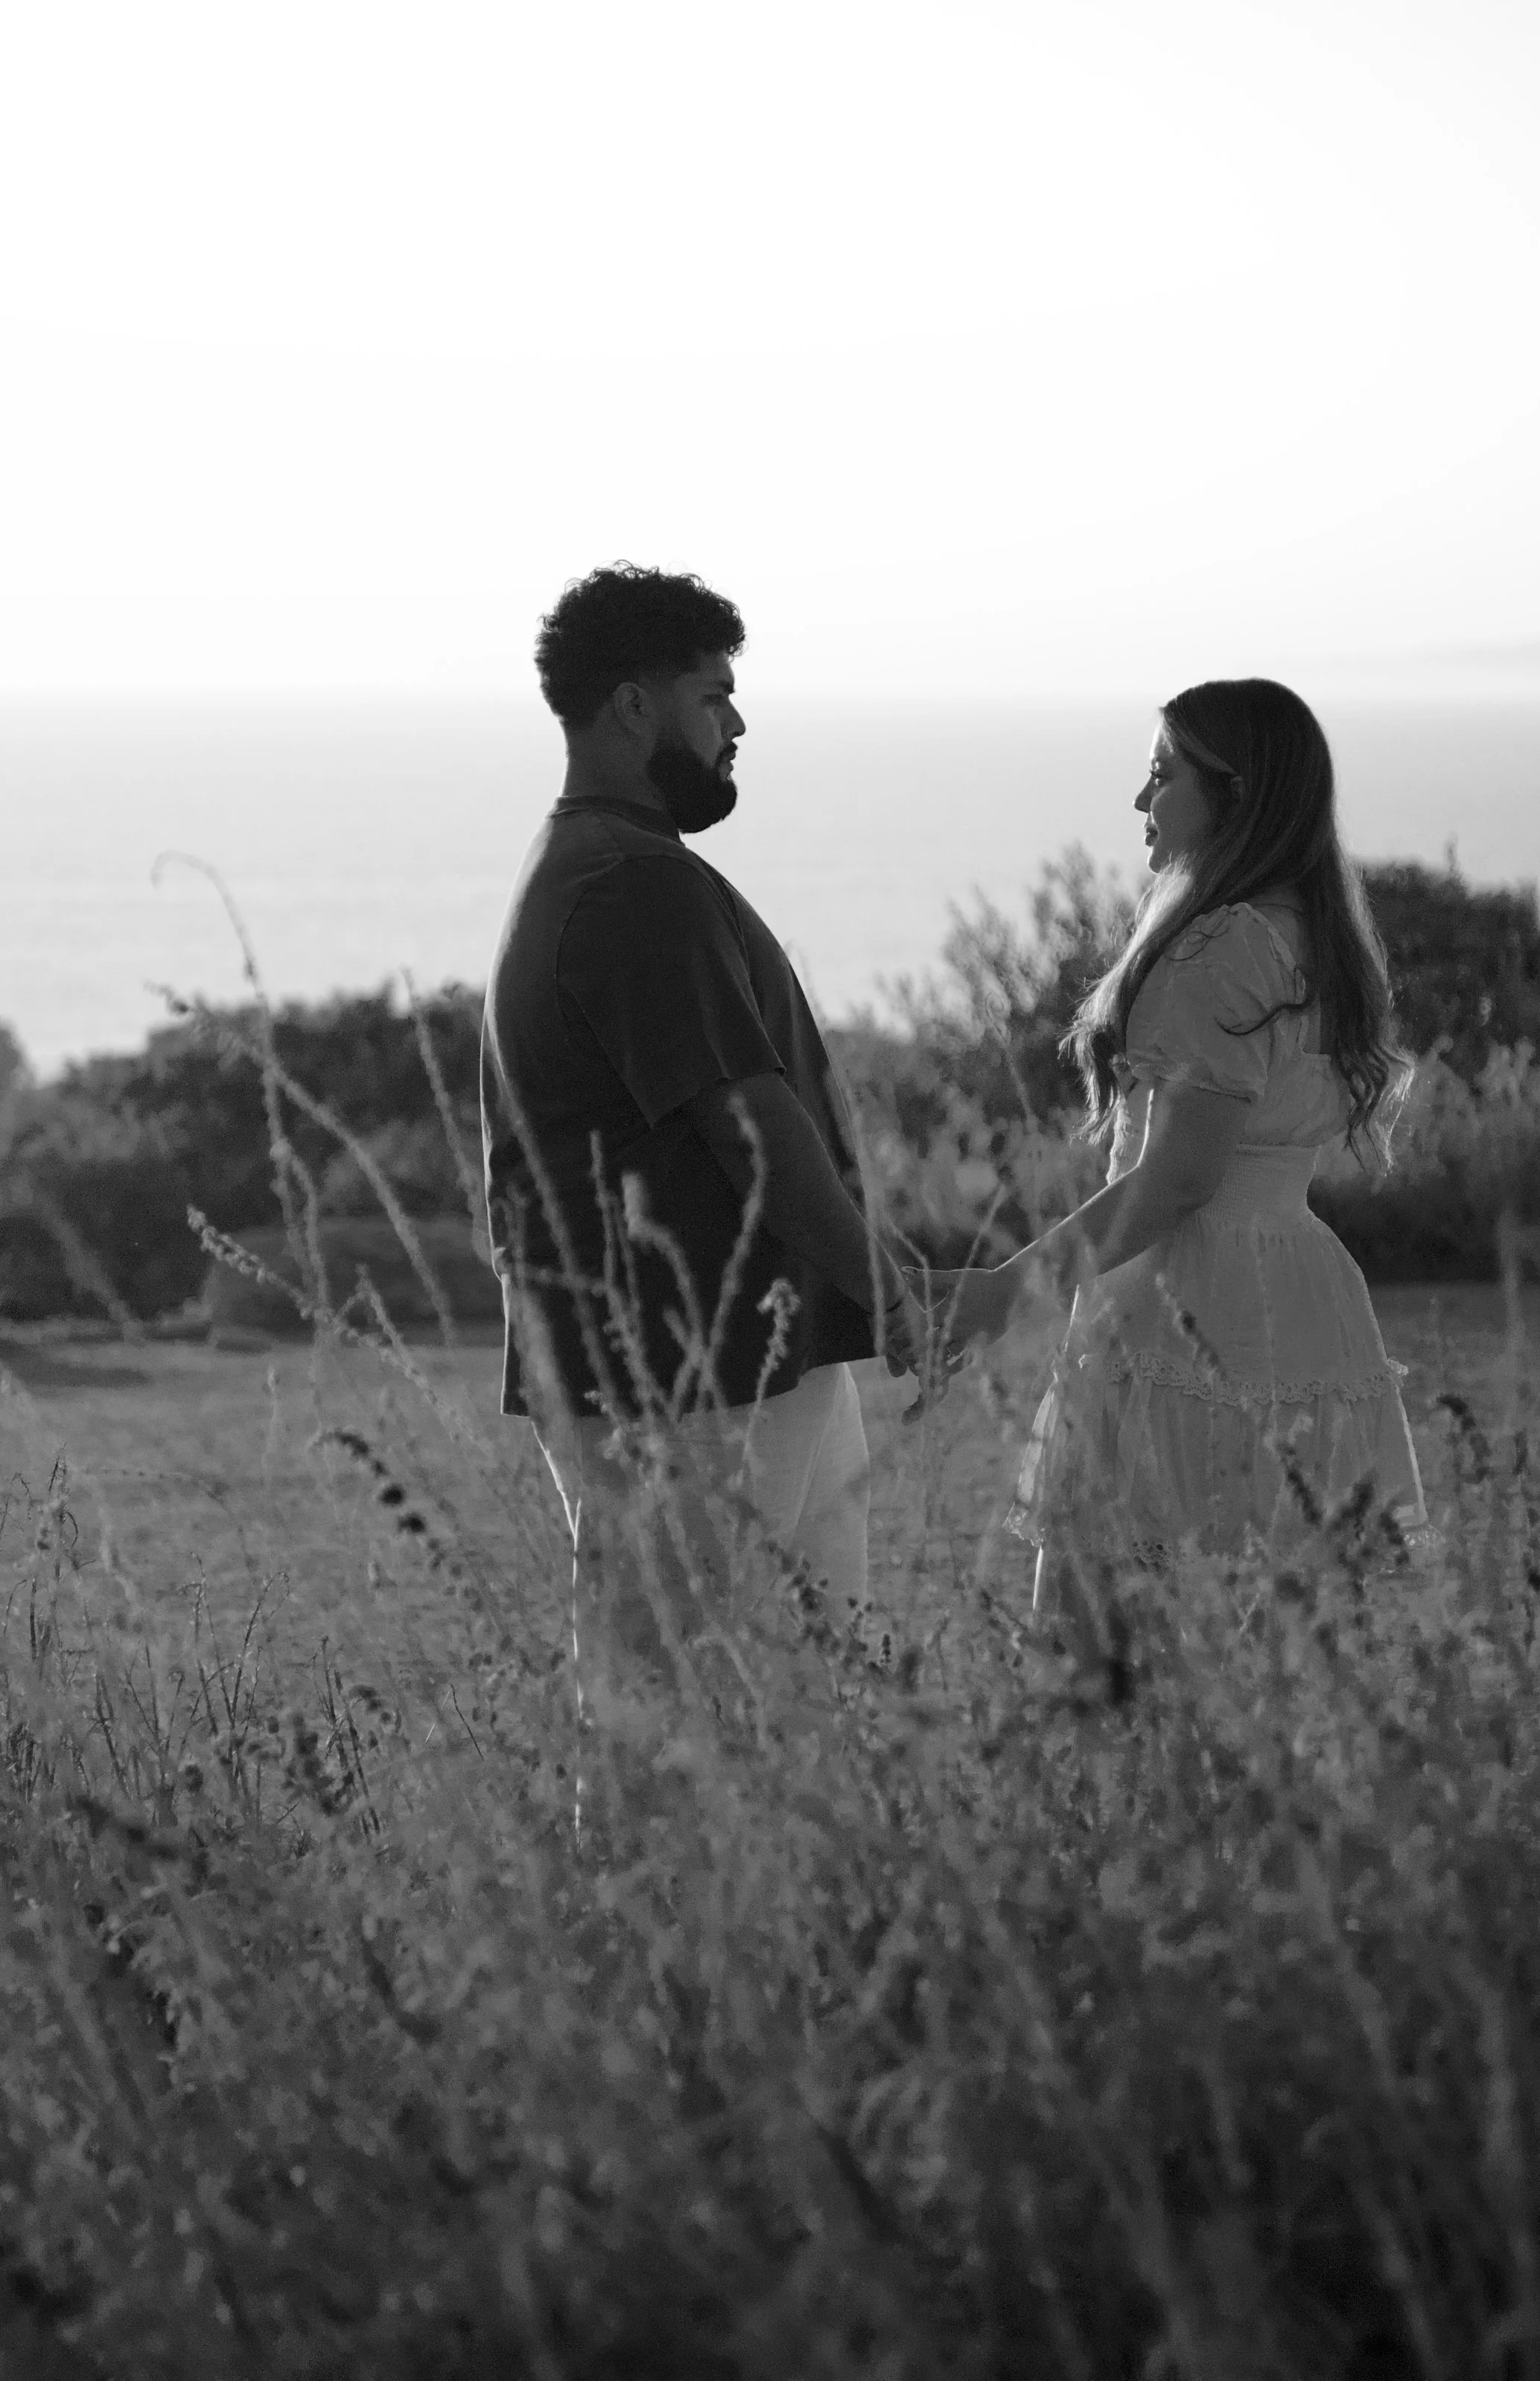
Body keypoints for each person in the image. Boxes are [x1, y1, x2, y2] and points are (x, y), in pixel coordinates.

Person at [480, 565, 925, 1692]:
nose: (736, 723)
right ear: (635, 706)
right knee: (683, 1719)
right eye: (713, 694)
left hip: (756, 1364)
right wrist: (894, 1286)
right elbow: (752, 1128)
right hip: (689, 1377)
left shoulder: (608, 866)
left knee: (807, 1697)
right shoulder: (632, 886)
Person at [938, 677, 1428, 1626]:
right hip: (1302, 1290)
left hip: (1183, 1305)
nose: (1140, 800)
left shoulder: (1220, 949)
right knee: (1281, 1652)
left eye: (1161, 776)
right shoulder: (1314, 940)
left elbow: (1179, 1180)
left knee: (1097, 1662)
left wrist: (1008, 1290)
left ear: (1232, 798)